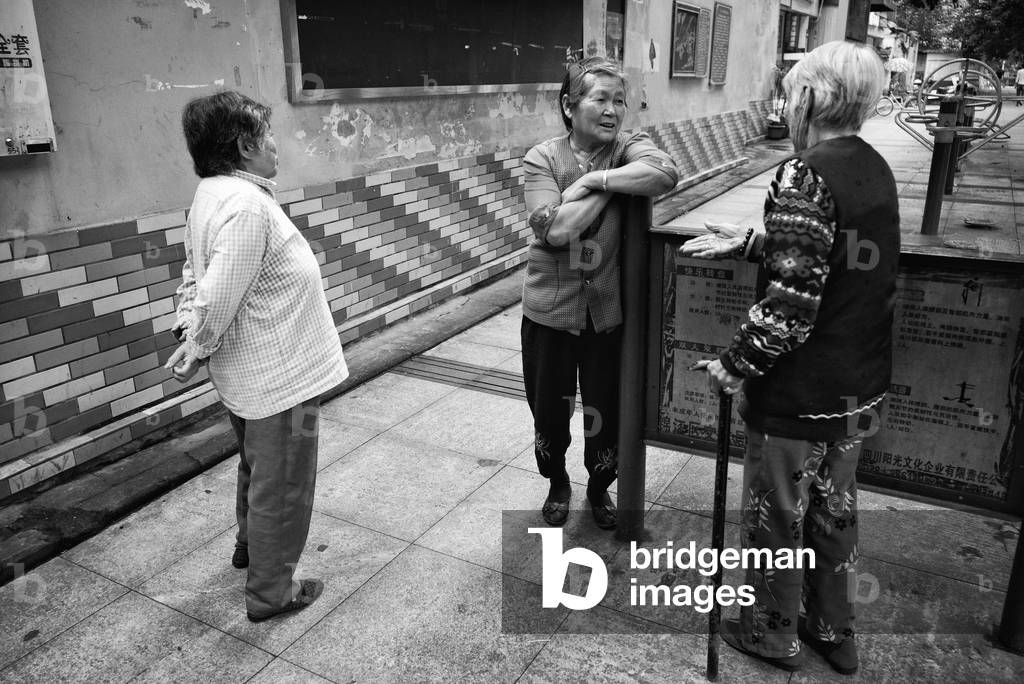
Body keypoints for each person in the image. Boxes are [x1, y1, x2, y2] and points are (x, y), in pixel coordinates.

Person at [680, 41, 900, 675]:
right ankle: (834, 631)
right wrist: (754, 241)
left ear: (810, 97)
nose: (787, 102)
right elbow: (839, 260)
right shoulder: (875, 167)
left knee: (777, 518)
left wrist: (735, 364)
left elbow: (789, 304)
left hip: (801, 395)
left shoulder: (806, 171)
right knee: (835, 516)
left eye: (791, 91)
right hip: (858, 388)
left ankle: (770, 636)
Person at [166, 91, 348, 622]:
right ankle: (272, 592)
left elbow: (193, 275)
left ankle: (251, 547)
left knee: (257, 467)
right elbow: (218, 290)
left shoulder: (213, 193)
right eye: (268, 135)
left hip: (253, 374)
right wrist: (196, 343)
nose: (276, 145)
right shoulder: (245, 205)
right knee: (284, 483)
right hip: (277, 376)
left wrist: (188, 328)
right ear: (245, 145)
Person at [521, 57, 678, 530]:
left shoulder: (629, 145)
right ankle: (556, 482)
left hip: (605, 309)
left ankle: (598, 486)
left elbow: (665, 173)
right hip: (550, 309)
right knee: (550, 407)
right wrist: (615, 186)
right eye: (600, 99)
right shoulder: (542, 159)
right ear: (570, 107)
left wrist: (594, 180)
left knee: (604, 408)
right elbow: (556, 229)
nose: (613, 111)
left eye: (619, 101)